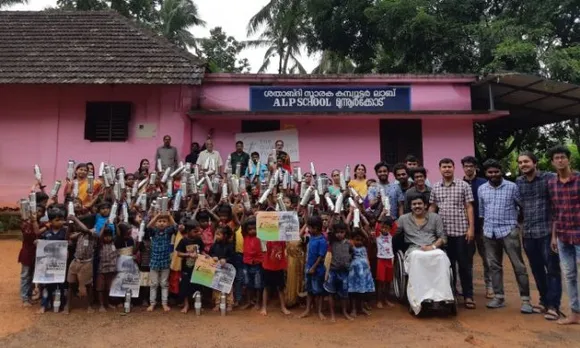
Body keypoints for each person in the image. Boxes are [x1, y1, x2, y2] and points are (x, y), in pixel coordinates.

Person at [478, 159, 532, 313]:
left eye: (496, 171)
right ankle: (499, 297)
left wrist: (516, 225)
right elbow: (482, 212)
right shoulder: (482, 189)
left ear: (501, 171)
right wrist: (484, 230)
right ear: (486, 173)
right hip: (489, 232)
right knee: (494, 266)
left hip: (509, 231)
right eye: (490, 172)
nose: (493, 174)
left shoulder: (512, 187)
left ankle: (526, 300)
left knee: (519, 266)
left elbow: (522, 206)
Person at [516, 151, 562, 320]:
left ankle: (554, 306)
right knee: (536, 269)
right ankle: (544, 301)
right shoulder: (519, 182)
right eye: (520, 163)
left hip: (547, 232)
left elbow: (556, 207)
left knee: (552, 269)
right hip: (528, 233)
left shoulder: (549, 178)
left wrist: (554, 236)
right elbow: (520, 206)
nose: (523, 165)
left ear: (535, 163)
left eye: (526, 162)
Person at [429, 158, 476, 309]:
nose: (447, 169)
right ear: (440, 169)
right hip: (443, 234)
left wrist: (471, 229)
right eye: (444, 167)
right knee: (447, 265)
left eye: (449, 166)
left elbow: (469, 207)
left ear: (454, 168)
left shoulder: (463, 185)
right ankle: (451, 294)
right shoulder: (436, 187)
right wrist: (429, 228)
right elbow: (433, 208)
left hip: (461, 231)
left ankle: (468, 295)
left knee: (464, 265)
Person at [396, 193, 451, 315]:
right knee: (417, 256)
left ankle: (444, 297)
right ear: (410, 206)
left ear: (425, 205)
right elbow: (393, 232)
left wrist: (432, 247)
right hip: (414, 249)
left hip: (432, 247)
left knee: (441, 256)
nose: (417, 206)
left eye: (419, 203)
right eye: (414, 204)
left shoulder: (435, 217)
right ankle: (419, 299)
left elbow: (443, 237)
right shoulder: (403, 219)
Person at [547, 145, 580, 325]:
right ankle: (575, 313)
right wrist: (553, 236)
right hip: (562, 235)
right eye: (556, 158)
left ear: (569, 159)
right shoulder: (552, 183)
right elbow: (554, 211)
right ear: (552, 163)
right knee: (569, 275)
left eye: (562, 157)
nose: (560, 160)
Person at [461, 155, 493, 299]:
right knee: (467, 259)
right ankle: (467, 288)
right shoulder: (459, 184)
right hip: (464, 228)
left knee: (487, 258)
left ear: (475, 167)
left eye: (471, 166)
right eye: (466, 166)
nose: (468, 168)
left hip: (483, 227)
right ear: (463, 168)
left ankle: (490, 286)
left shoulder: (484, 183)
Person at [36, 207, 68, 314]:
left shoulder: (65, 232)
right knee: (47, 285)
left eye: (62, 219)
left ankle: (62, 305)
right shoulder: (46, 234)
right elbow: (42, 247)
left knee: (61, 285)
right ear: (50, 222)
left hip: (61, 265)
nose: (60, 222)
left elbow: (69, 244)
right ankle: (44, 305)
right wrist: (38, 243)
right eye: (57, 220)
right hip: (48, 266)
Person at [146, 212, 177, 312]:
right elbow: (148, 226)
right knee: (154, 284)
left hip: (165, 261)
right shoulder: (154, 231)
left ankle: (164, 303)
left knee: (164, 284)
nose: (161, 223)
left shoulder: (168, 232)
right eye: (159, 221)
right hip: (154, 261)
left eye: (164, 221)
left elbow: (176, 227)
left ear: (167, 223)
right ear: (156, 223)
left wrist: (169, 216)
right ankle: (152, 303)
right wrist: (156, 216)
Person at [299, 216, 328, 320]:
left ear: (315, 228)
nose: (308, 230)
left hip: (317, 269)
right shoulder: (311, 238)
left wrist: (313, 268)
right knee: (309, 290)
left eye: (310, 227)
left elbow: (321, 257)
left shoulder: (322, 240)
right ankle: (307, 309)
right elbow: (299, 235)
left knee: (319, 291)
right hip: (309, 267)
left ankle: (319, 311)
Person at [323, 221, 353, 322]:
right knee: (330, 293)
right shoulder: (332, 241)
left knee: (344, 294)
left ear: (345, 232)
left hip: (344, 272)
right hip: (333, 271)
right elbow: (330, 230)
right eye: (337, 232)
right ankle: (332, 314)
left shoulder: (349, 243)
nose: (339, 234)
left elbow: (352, 254)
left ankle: (344, 312)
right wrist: (334, 216)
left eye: (342, 232)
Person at [19, 205, 46, 307]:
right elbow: (33, 233)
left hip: (37, 254)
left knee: (32, 276)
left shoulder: (42, 224)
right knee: (25, 276)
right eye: (36, 211)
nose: (37, 213)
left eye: (40, 211)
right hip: (27, 253)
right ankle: (25, 298)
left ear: (43, 214)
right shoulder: (25, 224)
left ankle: (29, 296)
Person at [175, 220, 204, 314]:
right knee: (185, 286)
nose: (197, 233)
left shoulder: (199, 240)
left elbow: (202, 251)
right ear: (188, 231)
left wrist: (206, 255)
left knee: (198, 285)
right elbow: (178, 253)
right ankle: (186, 305)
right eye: (195, 231)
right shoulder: (183, 241)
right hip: (186, 268)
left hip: (198, 268)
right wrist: (188, 255)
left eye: (198, 231)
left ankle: (198, 303)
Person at [348, 228, 375, 317]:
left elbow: (367, 258)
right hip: (355, 273)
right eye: (356, 239)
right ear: (352, 240)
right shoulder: (352, 247)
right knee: (354, 291)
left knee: (363, 291)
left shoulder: (364, 247)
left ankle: (362, 308)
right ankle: (354, 309)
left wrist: (369, 267)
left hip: (365, 273)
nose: (359, 241)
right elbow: (348, 233)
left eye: (360, 240)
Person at [261, 240, 291, 316]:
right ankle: (264, 307)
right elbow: (263, 248)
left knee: (280, 288)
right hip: (268, 267)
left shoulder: (281, 241)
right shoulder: (267, 241)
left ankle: (283, 307)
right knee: (266, 287)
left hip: (279, 267)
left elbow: (285, 248)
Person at [209, 226, 235, 312]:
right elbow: (210, 253)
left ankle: (229, 304)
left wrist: (226, 260)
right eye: (216, 234)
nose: (216, 236)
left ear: (225, 236)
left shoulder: (230, 246)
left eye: (218, 234)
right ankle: (217, 304)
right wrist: (213, 257)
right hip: (217, 270)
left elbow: (233, 257)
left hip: (227, 271)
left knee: (228, 287)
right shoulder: (214, 245)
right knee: (216, 287)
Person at [242, 217, 263, 309]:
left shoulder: (261, 236)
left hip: (258, 264)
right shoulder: (245, 236)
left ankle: (258, 303)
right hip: (247, 263)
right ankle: (249, 302)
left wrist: (259, 218)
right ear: (246, 230)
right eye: (249, 229)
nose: (252, 231)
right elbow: (242, 225)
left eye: (254, 228)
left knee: (258, 285)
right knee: (247, 284)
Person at [375, 215, 395, 309]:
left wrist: (388, 213)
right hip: (381, 260)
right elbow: (377, 226)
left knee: (388, 282)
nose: (384, 229)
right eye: (382, 227)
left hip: (389, 260)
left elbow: (394, 225)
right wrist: (382, 214)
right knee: (381, 282)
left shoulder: (391, 235)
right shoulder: (378, 235)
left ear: (390, 229)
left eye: (386, 228)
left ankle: (386, 299)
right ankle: (379, 300)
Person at [97, 227, 117, 312]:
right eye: (105, 236)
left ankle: (107, 303)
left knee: (108, 288)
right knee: (101, 288)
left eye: (109, 236)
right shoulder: (101, 245)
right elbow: (99, 238)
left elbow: (117, 234)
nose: (107, 238)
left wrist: (115, 223)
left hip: (111, 269)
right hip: (102, 269)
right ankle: (101, 305)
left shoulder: (114, 243)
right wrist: (104, 227)